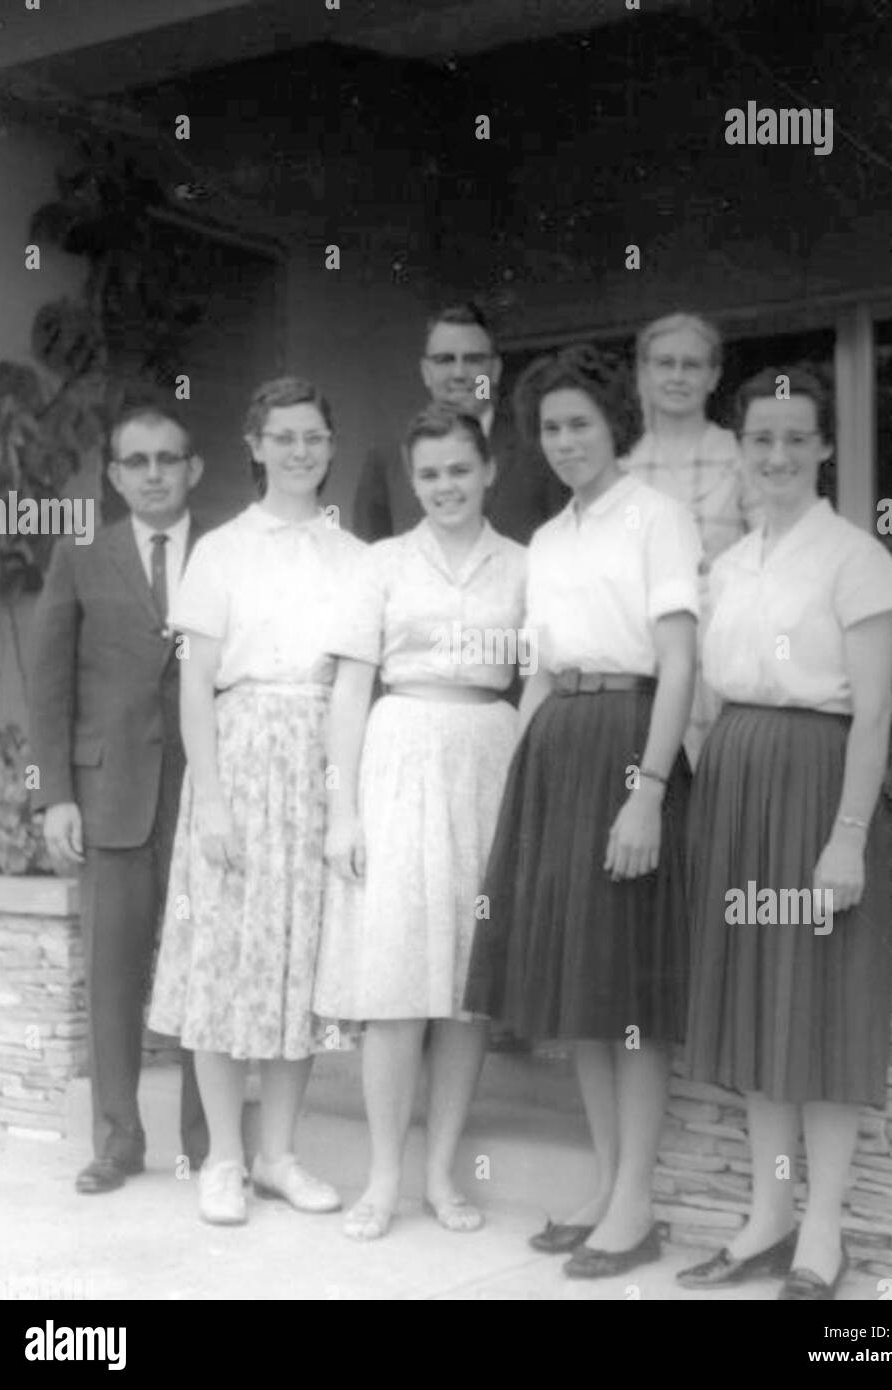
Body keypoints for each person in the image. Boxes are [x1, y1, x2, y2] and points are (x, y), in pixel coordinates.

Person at [463, 345, 701, 1279]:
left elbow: (680, 660)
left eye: (580, 424)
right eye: (550, 428)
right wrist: (515, 783)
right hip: (560, 746)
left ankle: (636, 1203)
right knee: (583, 993)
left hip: (628, 741)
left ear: (615, 426)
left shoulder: (659, 517)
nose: (564, 442)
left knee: (627, 992)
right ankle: (607, 1185)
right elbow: (540, 671)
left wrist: (646, 792)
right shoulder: (551, 537)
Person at [677, 366, 892, 1300]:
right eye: (759, 438)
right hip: (738, 789)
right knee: (754, 1011)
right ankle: (768, 1218)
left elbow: (877, 712)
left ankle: (823, 1234)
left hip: (818, 790)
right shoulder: (728, 566)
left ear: (824, 448)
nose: (775, 455)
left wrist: (847, 836)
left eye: (794, 438)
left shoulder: (856, 559)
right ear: (741, 449)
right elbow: (707, 697)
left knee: (816, 1011)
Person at [147, 376, 364, 1225]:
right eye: (284, 436)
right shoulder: (221, 550)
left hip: (315, 759)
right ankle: (225, 1160)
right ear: (255, 444)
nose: (300, 450)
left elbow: (351, 686)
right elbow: (195, 685)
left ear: (331, 445)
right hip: (235, 759)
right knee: (222, 959)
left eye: (314, 436)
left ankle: (278, 1154)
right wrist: (209, 803)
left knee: (295, 964)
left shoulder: (355, 556)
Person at [314, 402, 527, 1239]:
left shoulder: (523, 565)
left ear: (488, 472)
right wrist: (342, 811)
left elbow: (538, 678)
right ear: (413, 480)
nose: (446, 486)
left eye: (460, 470)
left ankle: (442, 1175)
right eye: (430, 474)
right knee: (397, 985)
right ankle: (382, 1179)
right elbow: (348, 692)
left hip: (490, 758)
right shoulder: (382, 564)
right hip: (398, 756)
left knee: (465, 994)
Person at [29, 404, 209, 1193]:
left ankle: (213, 1146)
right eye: (137, 462)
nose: (155, 473)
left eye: (169, 458)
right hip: (111, 794)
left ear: (194, 468)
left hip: (209, 795)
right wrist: (55, 796)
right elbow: (48, 684)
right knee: (113, 971)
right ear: (114, 476)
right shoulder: (82, 557)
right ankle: (116, 1139)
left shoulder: (230, 553)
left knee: (208, 967)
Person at [623, 312, 760, 768]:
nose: (677, 376)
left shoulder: (741, 458)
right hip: (645, 663)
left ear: (713, 375)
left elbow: (773, 560)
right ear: (644, 373)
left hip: (725, 658)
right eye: (664, 363)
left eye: (692, 365)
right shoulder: (623, 468)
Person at [352, 302, 569, 544]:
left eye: (473, 360)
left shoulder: (537, 448)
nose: (458, 374)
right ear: (426, 372)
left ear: (494, 371)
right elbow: (369, 561)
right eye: (444, 360)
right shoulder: (387, 458)